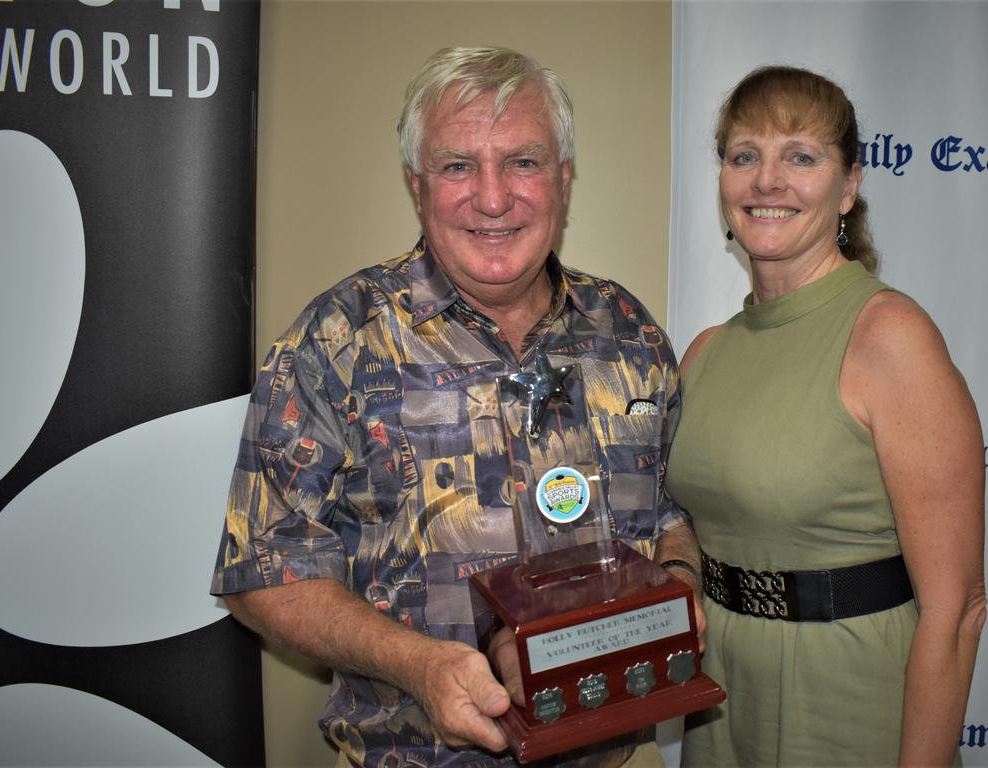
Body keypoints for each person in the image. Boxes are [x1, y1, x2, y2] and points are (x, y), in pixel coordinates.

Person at [211, 46, 701, 768]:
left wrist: (682, 582)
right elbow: (261, 570)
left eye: (525, 162)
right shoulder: (339, 340)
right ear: (417, 186)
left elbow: (668, 513)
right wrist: (420, 665)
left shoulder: (628, 333)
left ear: (564, 181)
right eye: (458, 165)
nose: (494, 198)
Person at [666, 65, 986, 766]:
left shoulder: (889, 337)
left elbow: (957, 611)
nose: (766, 181)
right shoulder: (705, 352)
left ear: (849, 186)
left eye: (800, 157)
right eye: (744, 156)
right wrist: (682, 577)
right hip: (718, 703)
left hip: (847, 704)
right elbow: (684, 522)